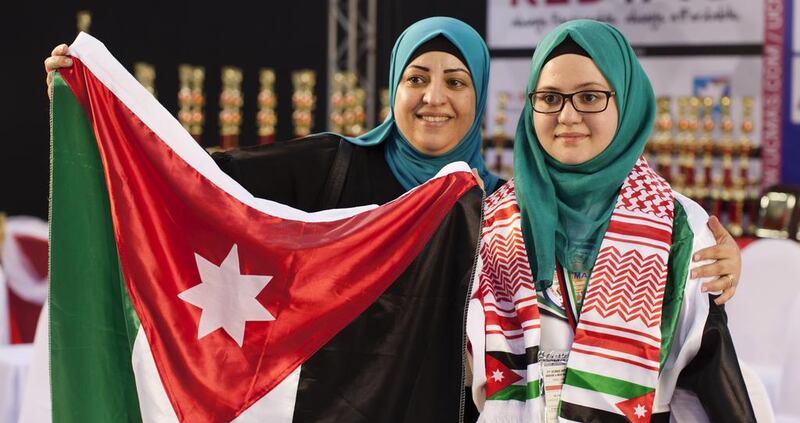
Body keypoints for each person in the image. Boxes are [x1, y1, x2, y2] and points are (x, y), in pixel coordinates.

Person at [44, 17, 741, 305]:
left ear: (482, 96)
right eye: (416, 78)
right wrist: (102, 108)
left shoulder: (493, 198)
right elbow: (196, 171)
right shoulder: (331, 165)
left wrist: (718, 234)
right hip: (334, 418)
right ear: (394, 87)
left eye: (456, 80)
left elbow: (611, 219)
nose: (433, 98)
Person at [464, 20, 758, 423]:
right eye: (550, 97)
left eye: (590, 96)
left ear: (626, 101)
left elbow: (694, 382)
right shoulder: (490, 218)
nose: (567, 115)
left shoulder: (679, 224)